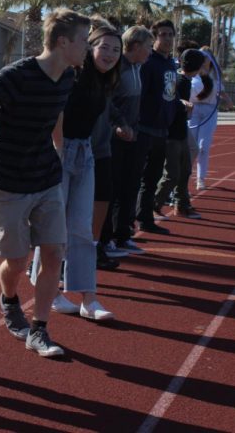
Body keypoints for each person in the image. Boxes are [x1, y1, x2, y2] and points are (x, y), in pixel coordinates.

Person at [0, 8, 89, 358]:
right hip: (9, 180)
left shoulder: (67, 77)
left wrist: (60, 151)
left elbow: (57, 114)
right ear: (63, 42)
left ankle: (40, 329)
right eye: (83, 40)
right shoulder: (18, 75)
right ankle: (9, 299)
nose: (87, 48)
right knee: (17, 262)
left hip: (47, 177)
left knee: (53, 253)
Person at [51, 20, 125, 321]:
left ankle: (88, 299)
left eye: (116, 50)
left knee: (82, 227)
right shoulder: (73, 75)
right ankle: (52, 292)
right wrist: (56, 152)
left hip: (84, 152)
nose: (110, 54)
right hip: (60, 151)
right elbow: (55, 113)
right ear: (89, 47)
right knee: (54, 228)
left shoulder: (106, 81)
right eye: (104, 47)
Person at [100, 26, 153, 258]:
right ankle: (106, 239)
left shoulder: (137, 68)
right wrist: (117, 126)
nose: (150, 51)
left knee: (130, 186)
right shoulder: (116, 67)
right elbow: (107, 103)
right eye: (148, 47)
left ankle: (123, 235)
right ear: (136, 45)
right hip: (114, 139)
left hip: (134, 135)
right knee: (112, 188)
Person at [135, 19, 178, 236]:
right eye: (163, 34)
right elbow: (141, 95)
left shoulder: (171, 64)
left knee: (153, 178)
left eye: (170, 34)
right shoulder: (149, 63)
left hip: (162, 130)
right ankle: (132, 222)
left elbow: (170, 94)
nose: (167, 38)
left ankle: (145, 217)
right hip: (145, 128)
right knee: (138, 178)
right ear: (154, 37)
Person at [154, 49, 208, 219]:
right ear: (198, 66)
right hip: (173, 133)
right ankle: (152, 205)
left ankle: (182, 204)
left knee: (184, 170)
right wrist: (185, 109)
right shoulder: (183, 82)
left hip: (180, 132)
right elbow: (174, 105)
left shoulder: (181, 78)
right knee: (172, 174)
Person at [189, 47, 229, 190]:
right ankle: (185, 176)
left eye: (206, 57)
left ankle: (200, 178)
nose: (203, 59)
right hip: (192, 110)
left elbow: (221, 91)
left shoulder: (215, 75)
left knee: (203, 147)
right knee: (190, 146)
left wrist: (229, 101)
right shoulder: (192, 72)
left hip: (209, 111)